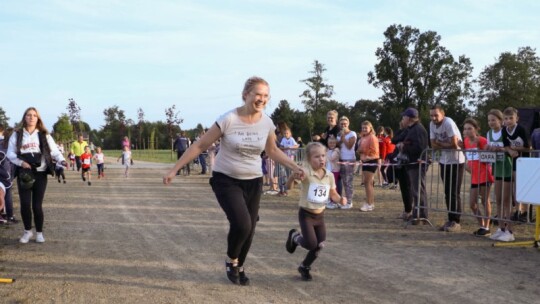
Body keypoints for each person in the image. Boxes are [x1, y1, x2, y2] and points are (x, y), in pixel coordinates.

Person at [163, 76, 305, 286]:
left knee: (249, 228)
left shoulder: (267, 122)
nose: (262, 99)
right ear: (245, 95)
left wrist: (294, 166)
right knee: (242, 223)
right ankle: (231, 260)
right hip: (226, 180)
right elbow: (200, 146)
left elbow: (272, 150)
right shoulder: (228, 119)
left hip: (253, 181)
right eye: (258, 94)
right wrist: (174, 169)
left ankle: (239, 264)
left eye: (266, 96)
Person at [285, 142, 346, 281]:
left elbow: (333, 194)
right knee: (310, 244)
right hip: (306, 214)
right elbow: (289, 187)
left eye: (323, 156)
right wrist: (292, 177)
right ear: (308, 159)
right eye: (316, 156)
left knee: (320, 244)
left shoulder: (329, 175)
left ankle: (305, 266)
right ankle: (295, 237)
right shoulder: (305, 173)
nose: (321, 159)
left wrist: (341, 199)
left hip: (320, 216)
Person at [7, 107, 67, 243]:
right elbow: (10, 153)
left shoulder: (44, 134)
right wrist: (21, 162)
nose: (31, 117)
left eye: (34, 115)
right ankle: (27, 231)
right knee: (25, 204)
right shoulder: (17, 134)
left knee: (37, 205)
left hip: (40, 174)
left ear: (38, 118)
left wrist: (61, 160)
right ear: (24, 118)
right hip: (25, 174)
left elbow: (54, 151)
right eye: (29, 115)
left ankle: (39, 232)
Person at [430, 105, 466, 232]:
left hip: (456, 161)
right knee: (447, 192)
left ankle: (456, 221)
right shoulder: (431, 125)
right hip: (444, 161)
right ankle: (450, 219)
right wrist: (443, 145)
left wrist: (440, 144)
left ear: (442, 115)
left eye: (436, 115)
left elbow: (454, 144)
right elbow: (433, 144)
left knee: (454, 192)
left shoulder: (448, 123)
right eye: (432, 115)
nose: (434, 118)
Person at [462, 118, 493, 236]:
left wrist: (479, 147)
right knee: (472, 203)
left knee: (485, 201)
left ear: (476, 129)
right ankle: (482, 224)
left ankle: (487, 226)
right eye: (465, 129)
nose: (467, 131)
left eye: (470, 128)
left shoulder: (482, 140)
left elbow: (488, 157)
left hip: (484, 173)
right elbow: (468, 156)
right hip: (474, 175)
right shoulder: (465, 141)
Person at [485, 109, 513, 241]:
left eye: (493, 120)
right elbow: (489, 149)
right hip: (497, 169)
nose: (491, 122)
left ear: (500, 121)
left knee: (507, 201)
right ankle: (501, 228)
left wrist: (501, 149)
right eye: (489, 120)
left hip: (507, 168)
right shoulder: (489, 134)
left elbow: (511, 149)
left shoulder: (505, 132)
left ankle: (510, 231)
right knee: (499, 200)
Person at [398, 108, 429, 223]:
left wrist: (404, 147)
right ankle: (419, 214)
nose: (402, 119)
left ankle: (420, 215)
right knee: (416, 190)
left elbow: (419, 148)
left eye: (404, 117)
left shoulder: (418, 129)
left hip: (417, 164)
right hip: (413, 164)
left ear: (409, 118)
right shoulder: (413, 129)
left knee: (418, 190)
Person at [356, 121, 379, 212]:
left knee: (368, 182)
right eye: (363, 128)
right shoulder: (363, 137)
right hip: (365, 160)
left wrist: (363, 150)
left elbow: (374, 150)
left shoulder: (372, 137)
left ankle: (369, 203)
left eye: (366, 128)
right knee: (368, 183)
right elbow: (359, 149)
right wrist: (359, 150)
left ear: (370, 128)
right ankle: (370, 202)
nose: (364, 129)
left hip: (371, 160)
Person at [337, 116, 356, 209]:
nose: (343, 125)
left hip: (349, 159)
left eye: (345, 123)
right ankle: (343, 200)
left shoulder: (352, 133)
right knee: (343, 181)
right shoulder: (339, 134)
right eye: (341, 124)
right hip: (340, 159)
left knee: (348, 181)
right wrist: (340, 138)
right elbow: (337, 145)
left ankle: (349, 201)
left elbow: (349, 146)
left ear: (348, 124)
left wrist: (343, 137)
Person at [0, 125, 17, 223]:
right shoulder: (5, 144)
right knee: (7, 194)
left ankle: (7, 214)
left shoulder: (4, 144)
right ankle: (9, 215)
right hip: (5, 173)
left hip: (4, 172)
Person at [278, 126, 299, 196]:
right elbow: (280, 147)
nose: (286, 134)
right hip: (284, 159)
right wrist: (284, 148)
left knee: (289, 174)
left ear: (290, 134)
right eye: (284, 133)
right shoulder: (283, 139)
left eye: (287, 133)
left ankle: (288, 188)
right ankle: (282, 190)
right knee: (282, 174)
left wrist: (291, 147)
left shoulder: (292, 139)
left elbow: (296, 146)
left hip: (290, 159)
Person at [325, 137, 341, 209]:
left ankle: (334, 201)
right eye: (330, 143)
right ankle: (331, 200)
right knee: (329, 186)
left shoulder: (336, 150)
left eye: (333, 143)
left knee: (333, 187)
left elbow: (331, 158)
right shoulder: (328, 150)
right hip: (329, 171)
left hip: (334, 171)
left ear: (336, 143)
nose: (332, 144)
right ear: (328, 143)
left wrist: (325, 153)